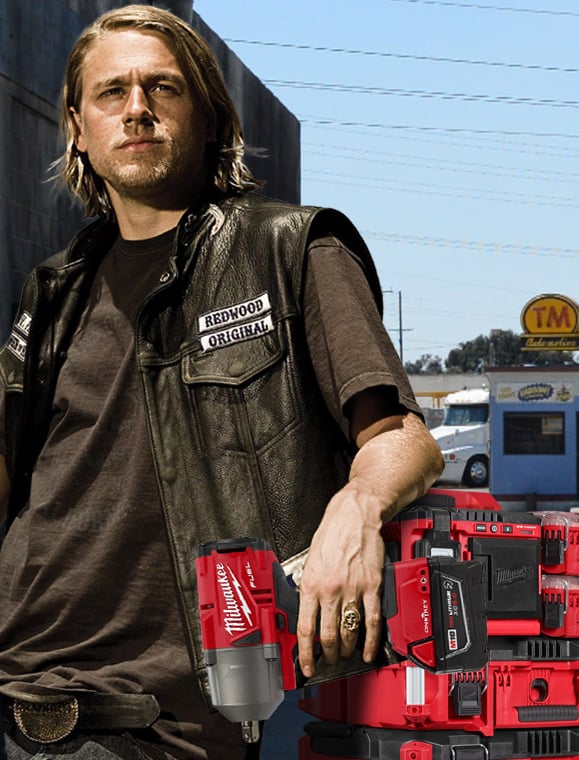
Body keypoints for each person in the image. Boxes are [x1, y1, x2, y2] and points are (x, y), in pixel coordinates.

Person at [0, 5, 444, 758]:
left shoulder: (291, 249)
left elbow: (401, 438)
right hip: (22, 683)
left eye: (161, 88)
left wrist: (358, 507)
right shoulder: (56, 290)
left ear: (209, 116)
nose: (135, 108)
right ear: (78, 126)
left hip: (165, 720)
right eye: (111, 93)